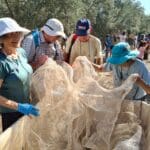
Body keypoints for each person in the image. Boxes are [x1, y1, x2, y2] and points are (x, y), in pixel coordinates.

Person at [0, 17, 39, 131]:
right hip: (11, 114)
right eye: (9, 34)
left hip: (28, 108)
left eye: (17, 33)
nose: (15, 37)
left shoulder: (21, 53)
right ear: (1, 39)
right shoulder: (2, 63)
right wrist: (18, 106)